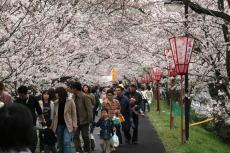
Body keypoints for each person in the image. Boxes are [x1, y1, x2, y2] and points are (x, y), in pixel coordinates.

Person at [14, 86, 46, 153]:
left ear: (26, 93)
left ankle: (32, 151)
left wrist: (43, 120)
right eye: (20, 95)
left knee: (33, 138)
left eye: (22, 96)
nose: (21, 97)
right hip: (21, 124)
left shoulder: (33, 98)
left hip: (32, 122)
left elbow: (39, 110)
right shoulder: (17, 100)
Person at [68, 82, 93, 153]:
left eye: (72, 88)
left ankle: (87, 150)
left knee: (85, 136)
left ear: (75, 89)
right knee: (75, 136)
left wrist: (89, 120)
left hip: (84, 120)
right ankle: (78, 150)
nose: (71, 90)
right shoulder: (73, 97)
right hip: (75, 121)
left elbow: (89, 110)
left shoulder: (85, 97)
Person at [52, 87, 77, 153]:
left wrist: (75, 125)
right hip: (59, 125)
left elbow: (74, 113)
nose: (55, 95)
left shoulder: (70, 101)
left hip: (68, 124)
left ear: (60, 93)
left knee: (66, 141)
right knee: (60, 143)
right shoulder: (56, 102)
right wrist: (53, 126)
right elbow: (54, 115)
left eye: (56, 93)